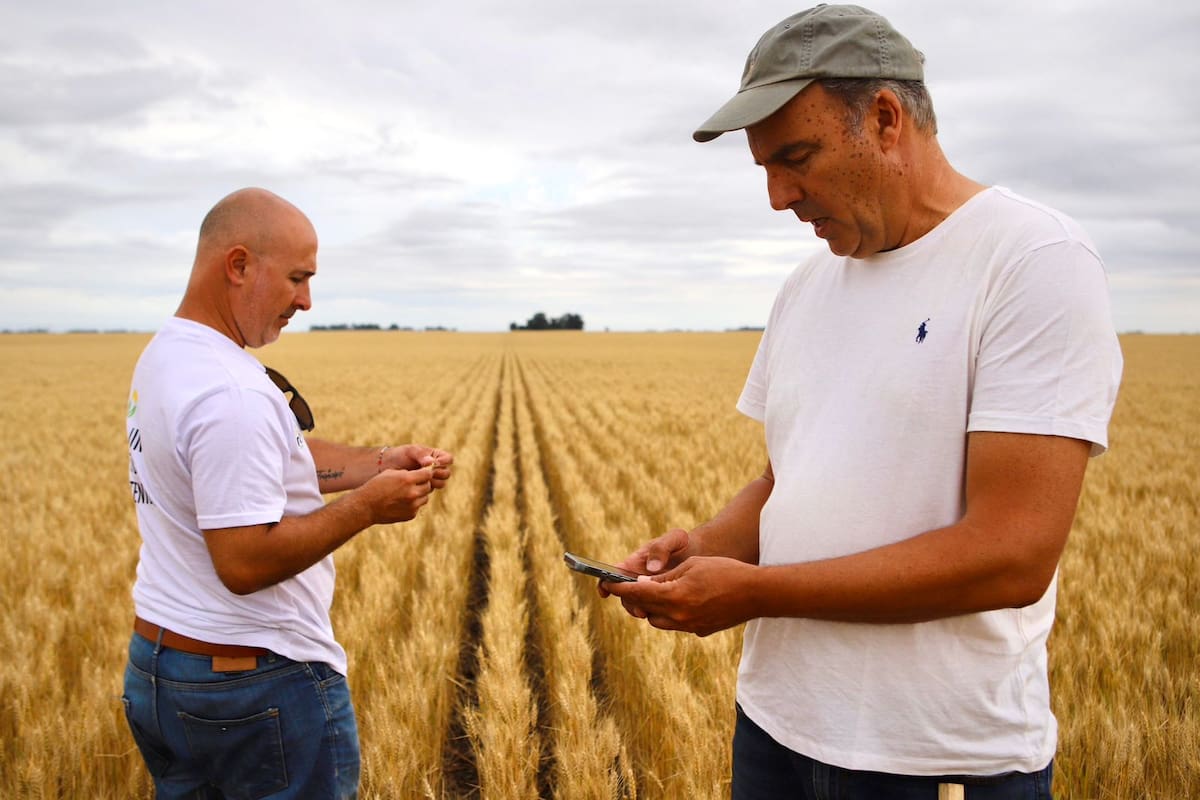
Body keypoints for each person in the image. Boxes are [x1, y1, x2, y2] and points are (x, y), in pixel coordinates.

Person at [602, 5, 1123, 798]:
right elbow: (787, 481)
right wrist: (704, 547)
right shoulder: (807, 286)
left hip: (931, 758)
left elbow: (1013, 554)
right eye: (765, 169)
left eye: (797, 157)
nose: (779, 197)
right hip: (776, 727)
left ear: (884, 118)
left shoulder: (1032, 261)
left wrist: (757, 592)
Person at [121, 187, 453, 799]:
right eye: (298, 278)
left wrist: (377, 462)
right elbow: (244, 563)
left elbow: (265, 463)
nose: (305, 301)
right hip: (253, 686)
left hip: (160, 670)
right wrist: (369, 506)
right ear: (239, 264)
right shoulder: (232, 391)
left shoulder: (170, 356)